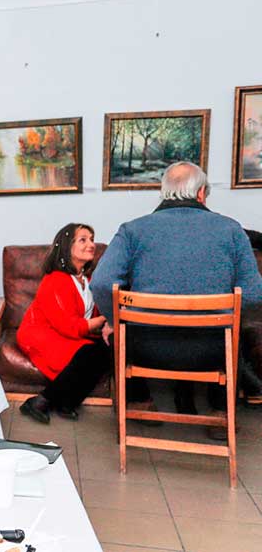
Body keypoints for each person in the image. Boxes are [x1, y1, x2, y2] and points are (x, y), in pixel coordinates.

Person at [91, 162, 262, 434]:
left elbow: (100, 283)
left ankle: (140, 402)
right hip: (213, 351)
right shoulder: (232, 230)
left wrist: (113, 320)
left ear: (163, 192)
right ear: (201, 193)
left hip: (146, 350)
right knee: (234, 331)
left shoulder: (132, 229)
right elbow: (252, 294)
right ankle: (221, 413)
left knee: (118, 332)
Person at [17, 223, 111, 423]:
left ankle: (66, 402)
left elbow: (90, 315)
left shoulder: (87, 279)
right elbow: (71, 327)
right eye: (83, 240)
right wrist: (107, 318)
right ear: (68, 246)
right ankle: (42, 401)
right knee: (89, 353)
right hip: (40, 333)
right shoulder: (56, 280)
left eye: (92, 239)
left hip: (66, 332)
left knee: (107, 347)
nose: (91, 245)